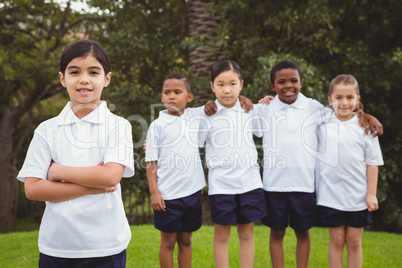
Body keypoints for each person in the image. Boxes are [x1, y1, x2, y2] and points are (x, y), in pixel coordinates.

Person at [17, 40, 135, 268]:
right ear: (63, 79)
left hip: (106, 246)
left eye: (93, 72)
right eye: (74, 72)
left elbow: (110, 177)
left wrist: (58, 171)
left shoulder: (118, 126)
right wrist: (90, 186)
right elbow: (33, 189)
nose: (84, 79)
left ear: (106, 79)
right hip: (57, 246)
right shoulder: (46, 130)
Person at [254, 60, 383, 268]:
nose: (288, 85)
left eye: (294, 80)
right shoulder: (264, 108)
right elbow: (242, 114)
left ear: (301, 83)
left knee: (303, 232)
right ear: (272, 86)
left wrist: (368, 116)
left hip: (304, 185)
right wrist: (244, 98)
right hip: (273, 184)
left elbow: (344, 113)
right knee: (276, 231)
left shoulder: (313, 107)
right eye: (281, 82)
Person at [200, 60, 266, 268]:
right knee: (221, 235)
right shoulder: (206, 114)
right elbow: (183, 129)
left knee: (246, 233)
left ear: (241, 84)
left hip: (250, 183)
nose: (227, 90)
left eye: (232, 84)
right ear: (212, 86)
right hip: (221, 185)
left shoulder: (250, 110)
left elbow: (267, 124)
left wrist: (263, 102)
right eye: (220, 84)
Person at [315, 74, 383, 268]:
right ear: (329, 100)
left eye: (349, 98)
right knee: (336, 241)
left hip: (358, 197)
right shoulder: (321, 123)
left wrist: (371, 194)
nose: (344, 103)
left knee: (354, 242)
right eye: (338, 98)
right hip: (330, 195)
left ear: (357, 99)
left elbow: (373, 163)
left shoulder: (366, 127)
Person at [145, 73, 206, 268]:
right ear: (161, 97)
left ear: (189, 97)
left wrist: (244, 100)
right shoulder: (157, 126)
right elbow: (151, 162)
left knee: (186, 240)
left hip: (191, 193)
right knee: (168, 242)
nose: (171, 96)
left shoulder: (195, 117)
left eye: (177, 92)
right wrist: (154, 192)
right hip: (167, 196)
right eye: (167, 92)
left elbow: (221, 104)